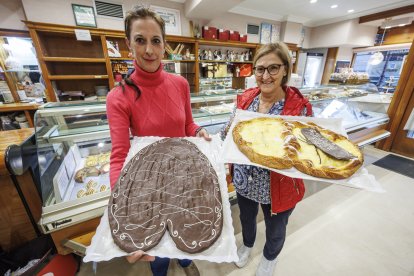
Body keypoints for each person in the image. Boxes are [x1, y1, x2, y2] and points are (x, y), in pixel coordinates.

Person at [106, 5, 210, 276]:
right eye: (140, 40)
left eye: (156, 41)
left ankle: (186, 261)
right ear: (129, 45)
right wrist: (124, 209)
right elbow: (119, 155)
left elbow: (187, 124)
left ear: (165, 46)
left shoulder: (180, 84)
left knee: (186, 227)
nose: (149, 50)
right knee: (159, 249)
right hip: (149, 185)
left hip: (184, 175)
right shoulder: (118, 97)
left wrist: (198, 131)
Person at [220, 42, 312, 276]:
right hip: (244, 180)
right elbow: (227, 130)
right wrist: (207, 139)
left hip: (278, 186)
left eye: (273, 68)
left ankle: (270, 258)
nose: (265, 75)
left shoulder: (298, 108)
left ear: (285, 70)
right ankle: (248, 245)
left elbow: (306, 150)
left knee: (276, 227)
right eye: (259, 69)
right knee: (247, 218)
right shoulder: (246, 99)